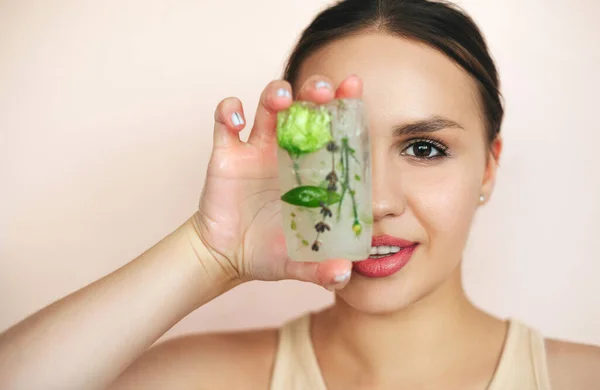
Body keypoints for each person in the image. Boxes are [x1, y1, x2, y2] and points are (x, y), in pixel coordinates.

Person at [1, 0, 599, 389]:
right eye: (336, 148)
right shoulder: (199, 379)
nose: (372, 201)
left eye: (423, 148)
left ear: (489, 168)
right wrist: (208, 253)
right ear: (288, 162)